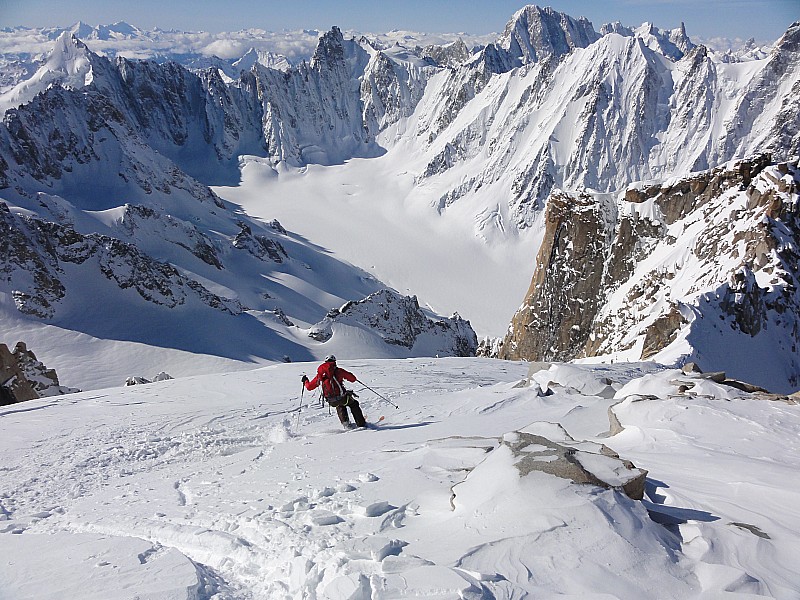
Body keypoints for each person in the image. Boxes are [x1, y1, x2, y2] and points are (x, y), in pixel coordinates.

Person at [302, 355, 367, 428]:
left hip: (331, 400)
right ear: (334, 362)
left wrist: (305, 381)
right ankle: (361, 424)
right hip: (342, 397)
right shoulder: (339, 371)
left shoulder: (320, 375)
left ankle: (346, 424)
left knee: (339, 405)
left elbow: (309, 387)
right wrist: (353, 378)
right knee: (353, 404)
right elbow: (352, 378)